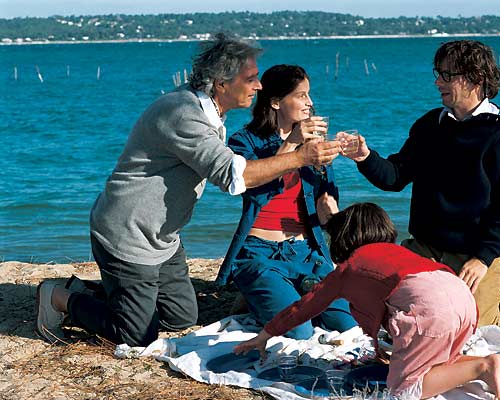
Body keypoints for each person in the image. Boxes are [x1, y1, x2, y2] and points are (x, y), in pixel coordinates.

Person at [34, 34, 342, 346]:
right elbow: (234, 177)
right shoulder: (185, 114)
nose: (259, 86)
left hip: (162, 237)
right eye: (250, 79)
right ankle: (59, 297)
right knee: (137, 335)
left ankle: (107, 294)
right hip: (127, 234)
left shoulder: (207, 108)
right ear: (221, 83)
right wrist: (301, 156)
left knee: (180, 317)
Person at [233, 203, 500, 400]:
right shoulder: (396, 253)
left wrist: (266, 334)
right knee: (437, 361)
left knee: (402, 391)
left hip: (431, 307)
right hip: (460, 295)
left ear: (342, 240)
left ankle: (482, 368)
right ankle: (499, 362)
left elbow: (305, 306)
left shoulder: (349, 269)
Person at [340, 39, 500, 326]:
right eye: (438, 73)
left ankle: (493, 302)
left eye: (447, 75)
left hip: (474, 257)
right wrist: (364, 156)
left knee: (463, 330)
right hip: (423, 250)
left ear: (475, 79)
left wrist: (482, 259)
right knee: (391, 318)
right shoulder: (431, 124)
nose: (438, 82)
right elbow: (395, 176)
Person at [216, 64, 357, 339]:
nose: (310, 103)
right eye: (301, 96)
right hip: (260, 252)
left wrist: (332, 200)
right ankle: (260, 292)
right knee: (299, 332)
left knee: (349, 326)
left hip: (306, 252)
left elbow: (325, 207)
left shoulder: (314, 145)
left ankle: (278, 291)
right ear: (276, 102)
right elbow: (251, 187)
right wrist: (292, 145)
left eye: (309, 95)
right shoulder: (245, 141)